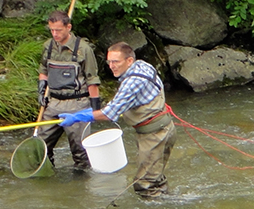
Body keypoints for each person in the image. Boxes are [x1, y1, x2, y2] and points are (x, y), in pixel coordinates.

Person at [59, 43, 175, 197]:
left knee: (145, 185)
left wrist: (80, 116)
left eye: (116, 62)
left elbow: (109, 114)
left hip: (154, 136)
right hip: (166, 129)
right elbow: (123, 103)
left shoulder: (131, 83)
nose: (111, 66)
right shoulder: (143, 66)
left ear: (129, 61)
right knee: (156, 179)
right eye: (109, 62)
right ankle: (167, 201)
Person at [37, 10, 102, 170]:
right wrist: (41, 90)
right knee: (41, 145)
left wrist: (95, 110)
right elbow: (43, 70)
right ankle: (46, 174)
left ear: (68, 27)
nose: (55, 34)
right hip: (53, 103)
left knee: (80, 150)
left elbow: (92, 80)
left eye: (58, 30)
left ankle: (83, 181)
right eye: (51, 30)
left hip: (77, 103)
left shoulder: (84, 49)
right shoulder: (48, 46)